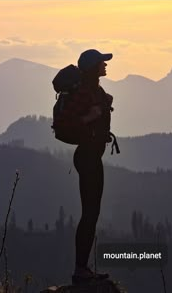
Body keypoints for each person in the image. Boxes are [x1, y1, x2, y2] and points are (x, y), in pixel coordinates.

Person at [72, 49, 114, 285]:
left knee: (92, 213)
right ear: (92, 68)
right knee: (89, 214)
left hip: (92, 156)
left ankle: (82, 268)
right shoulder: (84, 92)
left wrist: (104, 105)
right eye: (102, 62)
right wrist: (90, 117)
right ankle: (80, 270)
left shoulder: (95, 91)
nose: (105, 65)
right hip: (87, 157)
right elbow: (63, 123)